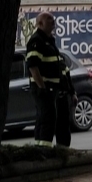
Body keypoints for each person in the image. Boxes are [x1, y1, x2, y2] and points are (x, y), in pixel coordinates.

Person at [25, 12, 74, 148]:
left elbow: (62, 69)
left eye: (53, 19)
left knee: (58, 120)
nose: (53, 21)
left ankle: (60, 151)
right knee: (47, 119)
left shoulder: (50, 41)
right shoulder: (36, 41)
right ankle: (43, 150)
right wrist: (42, 88)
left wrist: (70, 91)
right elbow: (33, 67)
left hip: (56, 90)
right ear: (40, 24)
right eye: (49, 19)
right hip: (45, 90)